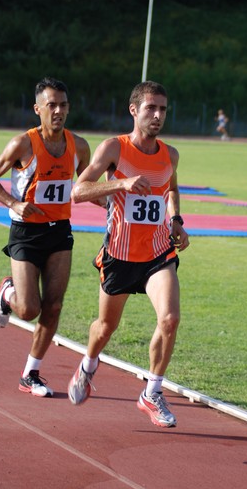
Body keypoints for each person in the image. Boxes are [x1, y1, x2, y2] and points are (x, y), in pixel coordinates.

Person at [67, 80, 190, 428]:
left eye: (163, 109)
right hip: (120, 255)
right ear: (133, 110)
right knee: (106, 327)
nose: (157, 115)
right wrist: (120, 183)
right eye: (150, 108)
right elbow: (78, 191)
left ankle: (151, 393)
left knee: (170, 319)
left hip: (157, 254)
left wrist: (176, 220)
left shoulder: (170, 154)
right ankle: (88, 364)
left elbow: (171, 188)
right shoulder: (113, 149)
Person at [0, 77, 91, 397]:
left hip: (60, 232)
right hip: (26, 233)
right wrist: (14, 203)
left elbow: (82, 186)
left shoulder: (80, 146)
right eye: (52, 105)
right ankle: (7, 294)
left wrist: (109, 197)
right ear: (37, 109)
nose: (58, 111)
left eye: (64, 105)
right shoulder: (23, 144)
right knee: (29, 309)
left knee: (54, 306)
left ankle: (31, 373)